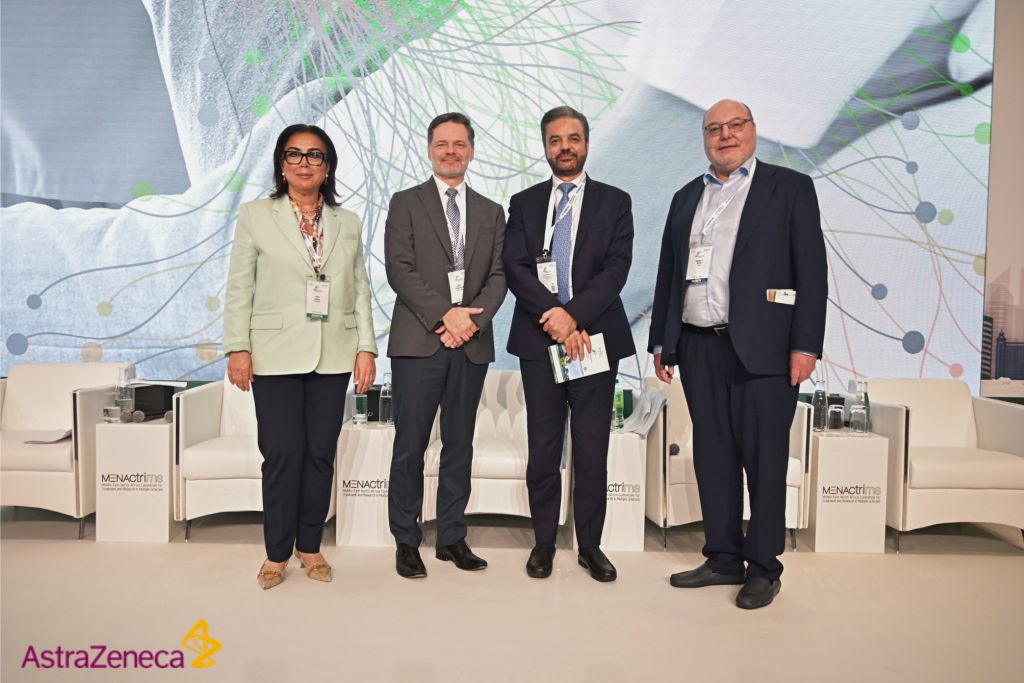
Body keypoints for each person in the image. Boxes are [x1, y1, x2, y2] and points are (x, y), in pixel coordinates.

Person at [648, 100, 827, 609]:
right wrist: (662, 340)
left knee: (764, 461)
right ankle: (723, 558)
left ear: (753, 131)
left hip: (766, 350)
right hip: (698, 345)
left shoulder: (789, 187)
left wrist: (806, 345)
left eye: (735, 125)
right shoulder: (687, 196)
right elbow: (669, 272)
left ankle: (764, 567)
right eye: (714, 129)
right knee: (714, 457)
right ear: (704, 138)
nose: (725, 135)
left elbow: (812, 271)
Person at [222, 124, 378, 590]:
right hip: (273, 353)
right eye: (294, 154)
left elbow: (360, 289)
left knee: (320, 454)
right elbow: (239, 286)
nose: (304, 163)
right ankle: (276, 552)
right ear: (281, 163)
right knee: (282, 453)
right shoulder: (255, 215)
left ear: (328, 166)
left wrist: (366, 346)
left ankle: (309, 546)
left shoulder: (347, 221)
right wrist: (238, 347)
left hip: (334, 353)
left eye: (315, 155)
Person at [503, 106, 635, 582]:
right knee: (543, 448)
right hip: (540, 340)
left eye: (573, 138)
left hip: (592, 340)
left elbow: (616, 270)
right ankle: (543, 542)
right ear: (545, 147)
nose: (565, 147)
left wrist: (573, 315)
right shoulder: (524, 202)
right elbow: (516, 267)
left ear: (586, 144)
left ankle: (590, 545)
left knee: (591, 449)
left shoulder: (615, 201)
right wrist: (557, 319)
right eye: (555, 139)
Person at [384, 112, 508, 578]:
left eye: (459, 144)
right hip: (420, 341)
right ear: (429, 150)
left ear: (471, 151)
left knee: (460, 445)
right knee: (409, 447)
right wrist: (445, 315)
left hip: (470, 343)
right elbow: (399, 269)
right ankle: (406, 541)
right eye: (442, 144)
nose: (450, 151)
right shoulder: (405, 203)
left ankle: (452, 536)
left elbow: (499, 276)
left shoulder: (492, 212)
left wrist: (469, 323)